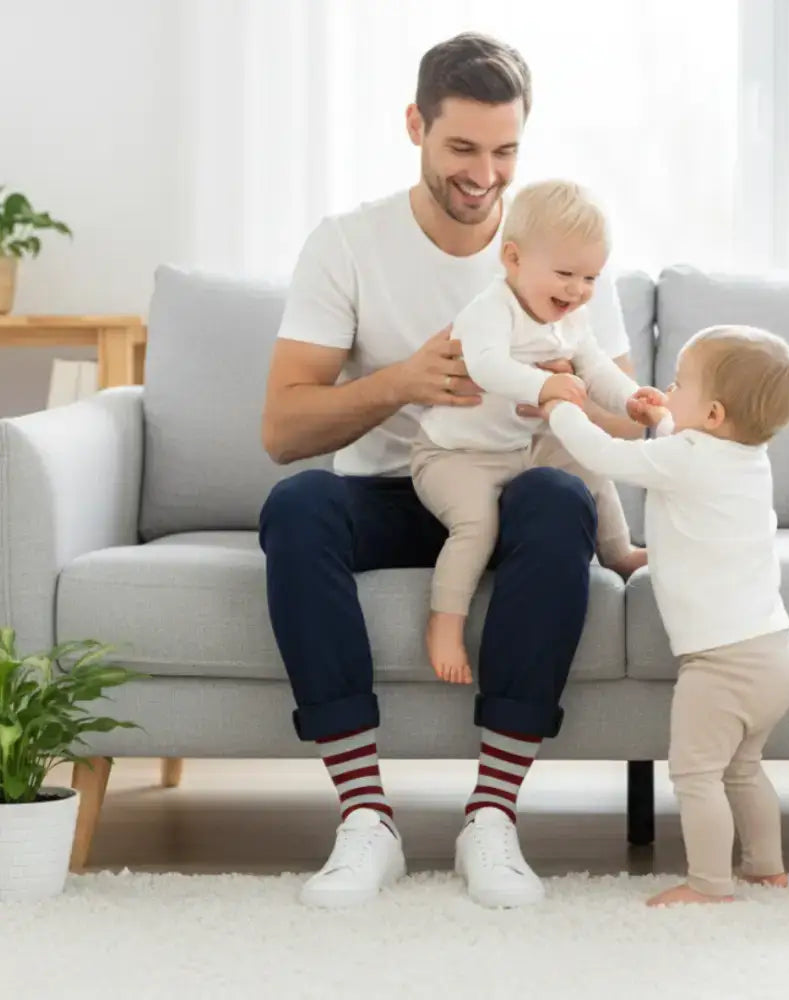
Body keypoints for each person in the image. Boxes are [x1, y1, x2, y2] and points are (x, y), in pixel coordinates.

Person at [258, 32, 640, 909]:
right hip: (402, 489)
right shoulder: (348, 243)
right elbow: (282, 427)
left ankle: (492, 816)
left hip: (517, 490)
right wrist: (403, 382)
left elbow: (606, 405)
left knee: (555, 494)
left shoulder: (559, 248)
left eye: (505, 151)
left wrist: (649, 411)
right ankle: (365, 819)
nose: (484, 175)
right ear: (415, 128)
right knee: (298, 505)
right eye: (462, 148)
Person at [541, 324, 789, 906]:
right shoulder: (745, 457)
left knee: (695, 776)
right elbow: (682, 444)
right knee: (743, 769)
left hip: (721, 665)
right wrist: (664, 413)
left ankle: (710, 884)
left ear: (712, 414)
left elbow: (602, 454)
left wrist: (560, 406)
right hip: (774, 652)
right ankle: (767, 867)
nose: (668, 386)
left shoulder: (685, 458)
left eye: (680, 383)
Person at [412, 178, 648, 684]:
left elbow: (596, 368)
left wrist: (631, 398)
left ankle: (619, 551)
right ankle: (445, 623)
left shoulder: (572, 318)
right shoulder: (489, 311)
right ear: (513, 259)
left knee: (590, 461)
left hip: (522, 446)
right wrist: (547, 385)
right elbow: (488, 368)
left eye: (590, 277)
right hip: (455, 454)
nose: (577, 290)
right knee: (476, 525)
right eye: (565, 273)